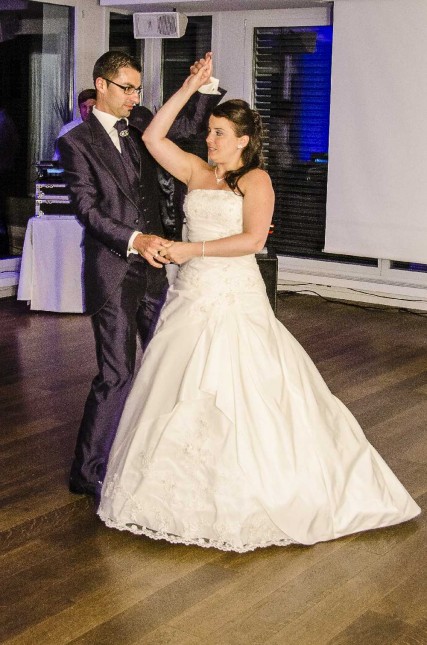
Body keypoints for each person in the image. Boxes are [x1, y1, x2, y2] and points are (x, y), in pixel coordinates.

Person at [97, 57, 420, 553]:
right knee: (176, 387)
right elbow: (153, 136)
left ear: (243, 140)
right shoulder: (197, 172)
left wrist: (189, 249)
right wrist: (190, 87)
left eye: (219, 133)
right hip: (191, 296)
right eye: (210, 131)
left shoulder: (256, 181)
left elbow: (252, 241)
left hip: (232, 294)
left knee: (243, 390)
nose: (210, 140)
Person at [58, 51, 222, 498]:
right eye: (127, 88)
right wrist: (135, 239)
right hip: (113, 271)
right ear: (102, 85)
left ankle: (159, 454)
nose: (135, 97)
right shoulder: (76, 143)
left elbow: (186, 130)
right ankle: (86, 470)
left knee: (167, 361)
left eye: (138, 89)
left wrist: (202, 87)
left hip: (155, 270)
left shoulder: (144, 121)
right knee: (116, 374)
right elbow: (88, 210)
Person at [53, 89, 96, 160]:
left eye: (91, 107)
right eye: (84, 107)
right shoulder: (68, 129)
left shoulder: (106, 127)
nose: (88, 111)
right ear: (79, 108)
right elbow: (57, 158)